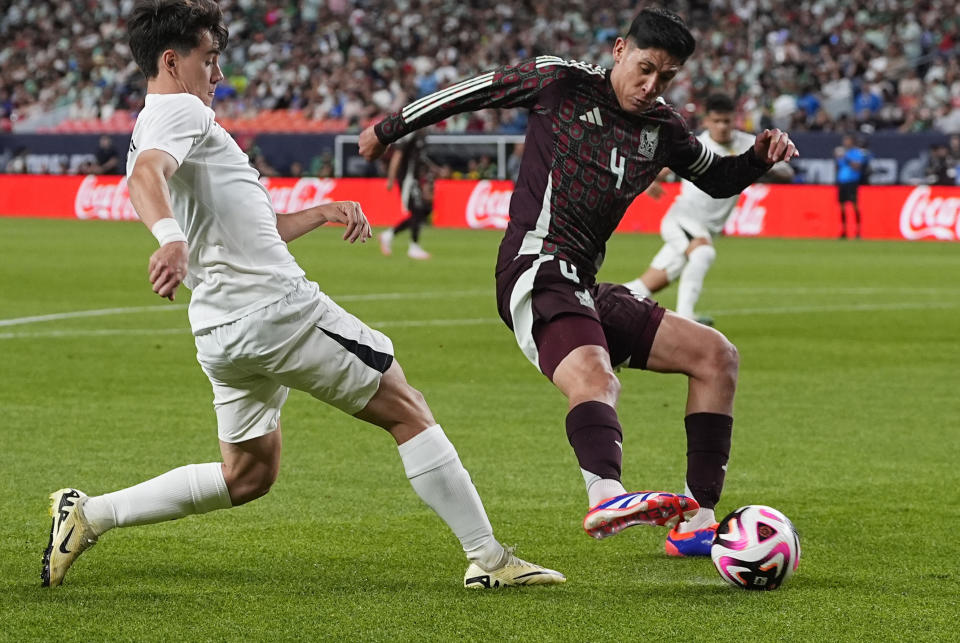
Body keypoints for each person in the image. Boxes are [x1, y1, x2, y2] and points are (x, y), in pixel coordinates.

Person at [42, 0, 564, 591]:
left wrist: (318, 212)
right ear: (171, 61)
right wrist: (168, 239)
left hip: (220, 332)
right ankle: (490, 560)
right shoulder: (178, 110)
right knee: (407, 406)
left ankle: (91, 513)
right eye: (210, 60)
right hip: (275, 312)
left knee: (248, 476)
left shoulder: (157, 123)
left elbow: (245, 224)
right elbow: (146, 179)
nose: (219, 75)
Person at [361, 7, 798, 557]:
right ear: (619, 50)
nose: (650, 85)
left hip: (582, 282)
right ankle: (607, 494)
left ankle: (698, 523)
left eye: (666, 77)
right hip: (534, 265)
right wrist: (388, 129)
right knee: (595, 376)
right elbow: (477, 91)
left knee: (717, 357)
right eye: (644, 68)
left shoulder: (663, 128)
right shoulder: (561, 82)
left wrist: (758, 156)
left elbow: (719, 179)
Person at [624, 93, 795, 325]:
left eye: (727, 121)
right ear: (706, 121)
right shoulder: (696, 145)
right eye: (717, 121)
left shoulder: (749, 144)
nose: (722, 127)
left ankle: (603, 303)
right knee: (703, 253)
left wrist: (770, 161)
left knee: (650, 283)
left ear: (735, 119)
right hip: (682, 219)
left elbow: (788, 173)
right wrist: (650, 181)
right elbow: (660, 168)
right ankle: (686, 321)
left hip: (707, 228)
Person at [379, 128, 434, 259]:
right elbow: (397, 155)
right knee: (418, 211)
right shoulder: (410, 134)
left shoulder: (422, 135)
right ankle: (413, 247)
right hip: (407, 179)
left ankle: (388, 235)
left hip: (415, 179)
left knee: (422, 211)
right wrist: (391, 178)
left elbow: (420, 160)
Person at [834, 134, 871, 238]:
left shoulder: (856, 153)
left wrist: (846, 158)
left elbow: (857, 166)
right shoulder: (843, 153)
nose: (845, 142)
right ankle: (844, 230)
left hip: (852, 182)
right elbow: (839, 167)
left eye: (847, 140)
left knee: (855, 206)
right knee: (842, 208)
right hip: (842, 183)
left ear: (852, 141)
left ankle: (858, 230)